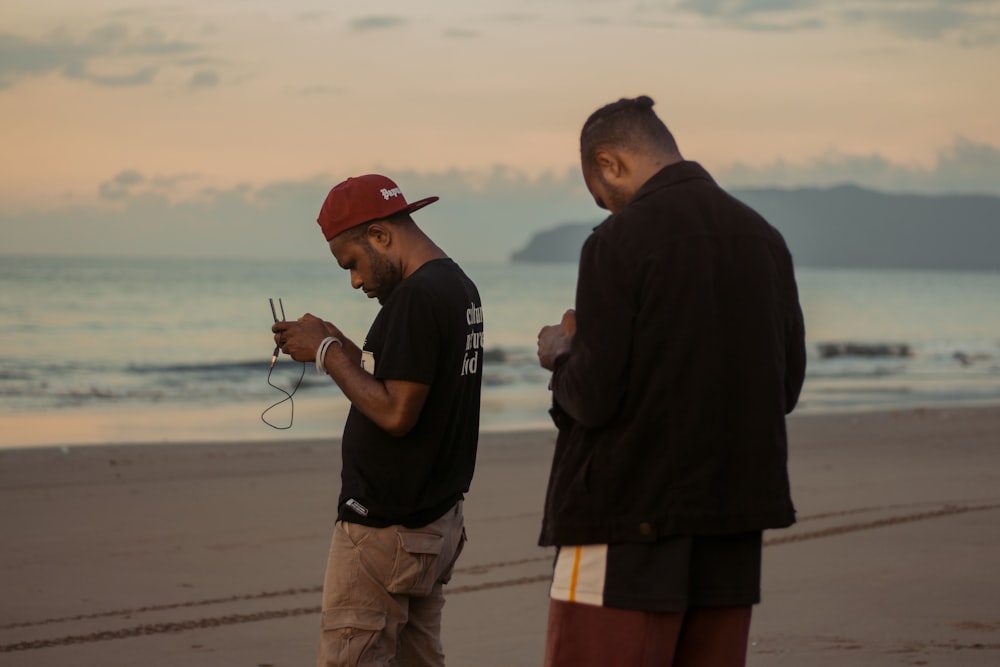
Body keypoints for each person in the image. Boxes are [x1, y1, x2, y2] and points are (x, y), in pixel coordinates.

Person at [535, 96, 807, 666]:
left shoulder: (618, 242)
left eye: (600, 194)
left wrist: (563, 355)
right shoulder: (764, 239)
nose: (606, 208)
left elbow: (594, 396)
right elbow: (785, 389)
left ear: (609, 163)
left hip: (628, 517)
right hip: (732, 518)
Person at [273, 173, 484, 667]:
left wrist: (325, 353)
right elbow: (399, 379)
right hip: (432, 522)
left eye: (353, 263)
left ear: (381, 235)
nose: (355, 281)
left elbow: (395, 412)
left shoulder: (414, 298)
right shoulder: (456, 286)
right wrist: (337, 342)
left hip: (387, 529)